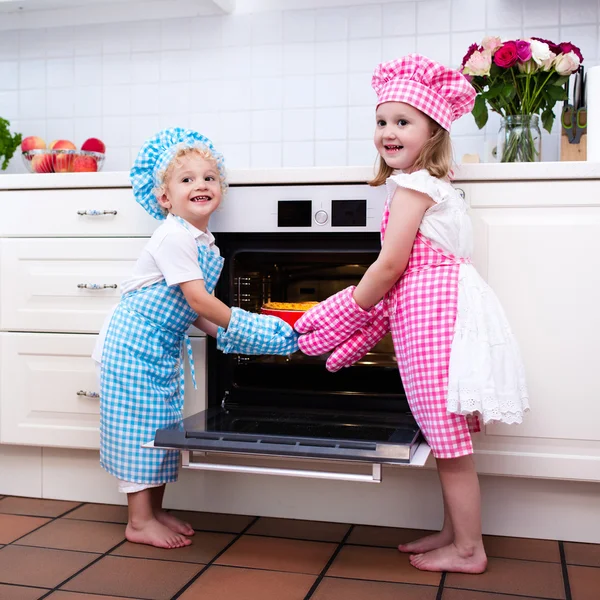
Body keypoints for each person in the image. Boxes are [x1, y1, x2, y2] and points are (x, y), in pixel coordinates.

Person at [295, 54, 529, 574]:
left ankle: (469, 549)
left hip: (435, 318)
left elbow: (389, 265)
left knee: (449, 441)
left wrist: (343, 308)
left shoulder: (412, 188)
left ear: (433, 131)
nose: (388, 132)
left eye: (403, 122)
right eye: (382, 121)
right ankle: (454, 532)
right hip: (444, 313)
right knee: (446, 436)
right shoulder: (435, 185)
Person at [94, 128, 298, 549]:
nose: (201, 184)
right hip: (131, 348)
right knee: (138, 430)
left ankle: (153, 510)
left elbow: (196, 311)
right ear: (165, 198)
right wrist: (252, 329)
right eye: (186, 179)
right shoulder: (172, 235)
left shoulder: (203, 241)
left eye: (209, 177)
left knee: (161, 428)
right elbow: (200, 302)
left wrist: (235, 335)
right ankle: (138, 521)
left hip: (158, 347)